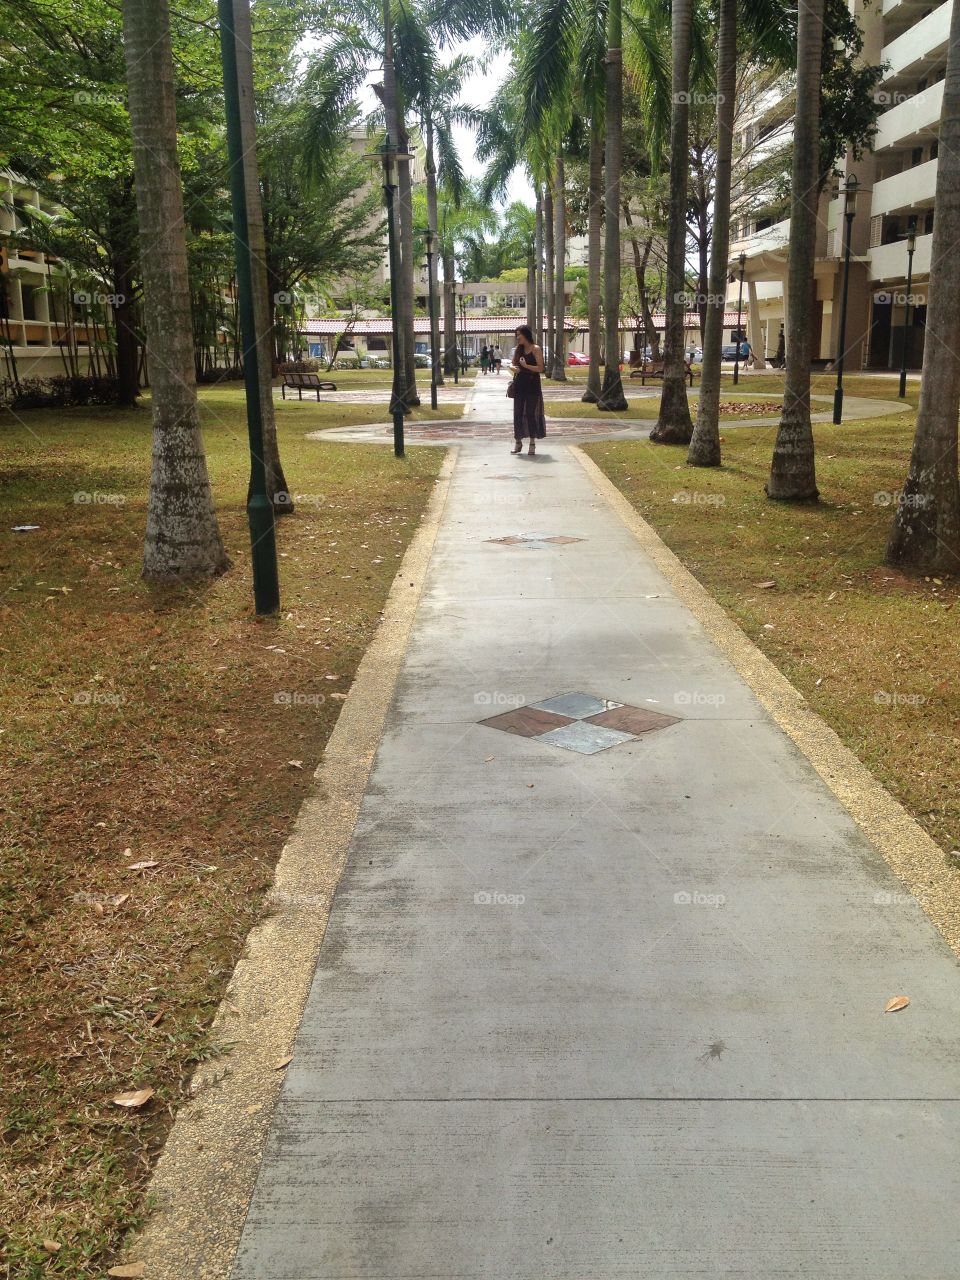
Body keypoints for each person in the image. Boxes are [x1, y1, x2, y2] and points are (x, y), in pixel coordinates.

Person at [510, 325, 546, 457]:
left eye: (519, 334)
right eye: (516, 335)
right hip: (520, 384)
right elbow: (512, 364)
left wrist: (525, 366)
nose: (517, 337)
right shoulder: (518, 350)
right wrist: (513, 368)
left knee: (531, 414)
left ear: (526, 335)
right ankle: (518, 442)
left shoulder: (536, 349)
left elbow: (540, 368)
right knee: (518, 413)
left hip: (533, 384)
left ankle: (532, 443)